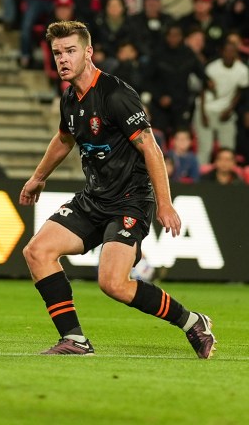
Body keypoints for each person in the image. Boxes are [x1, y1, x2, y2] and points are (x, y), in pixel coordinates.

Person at [19, 20, 216, 358]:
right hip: (94, 198)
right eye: (57, 53)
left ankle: (192, 322)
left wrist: (165, 204)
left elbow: (151, 148)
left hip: (130, 201)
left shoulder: (115, 95)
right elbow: (64, 139)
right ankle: (75, 340)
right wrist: (38, 177)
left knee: (113, 284)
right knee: (37, 252)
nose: (62, 59)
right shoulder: (69, 97)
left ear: (89, 52)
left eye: (70, 51)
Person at [195, 41, 249, 165]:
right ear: (221, 52)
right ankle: (200, 179)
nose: (229, 54)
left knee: (228, 147)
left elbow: (239, 92)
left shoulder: (242, 71)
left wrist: (229, 109)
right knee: (205, 148)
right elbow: (202, 91)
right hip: (206, 109)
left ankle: (227, 178)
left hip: (226, 112)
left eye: (232, 51)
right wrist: (203, 114)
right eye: (227, 51)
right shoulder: (212, 68)